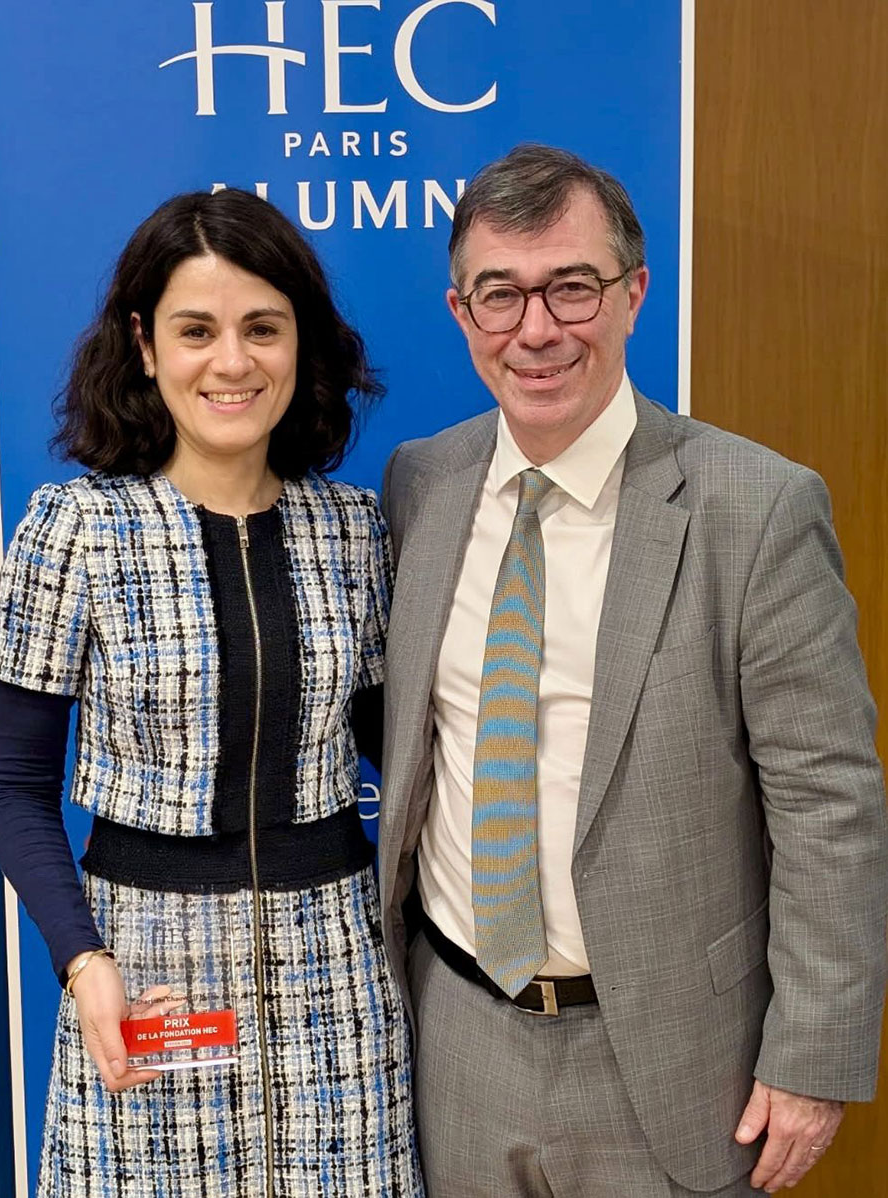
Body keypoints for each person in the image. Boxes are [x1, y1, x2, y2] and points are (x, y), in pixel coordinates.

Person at [377, 143, 888, 1197]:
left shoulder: (756, 508)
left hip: (673, 1058)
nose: (538, 328)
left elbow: (828, 803)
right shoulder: (421, 483)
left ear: (633, 292)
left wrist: (811, 1057)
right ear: (460, 311)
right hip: (458, 1035)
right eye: (500, 294)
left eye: (573, 286)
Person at [0, 187, 423, 1198]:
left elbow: (405, 757)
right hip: (146, 975)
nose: (232, 361)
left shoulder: (353, 531)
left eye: (262, 328)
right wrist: (83, 962)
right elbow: (12, 782)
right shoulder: (75, 531)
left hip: (339, 985)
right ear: (144, 345)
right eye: (197, 330)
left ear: (300, 344)